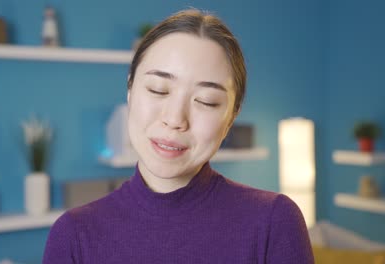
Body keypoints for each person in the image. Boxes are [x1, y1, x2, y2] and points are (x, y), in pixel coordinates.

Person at [43, 9, 314, 264]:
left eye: (206, 101)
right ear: (130, 89)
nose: (174, 119)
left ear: (232, 116)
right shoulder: (73, 235)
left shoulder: (273, 221)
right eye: (159, 90)